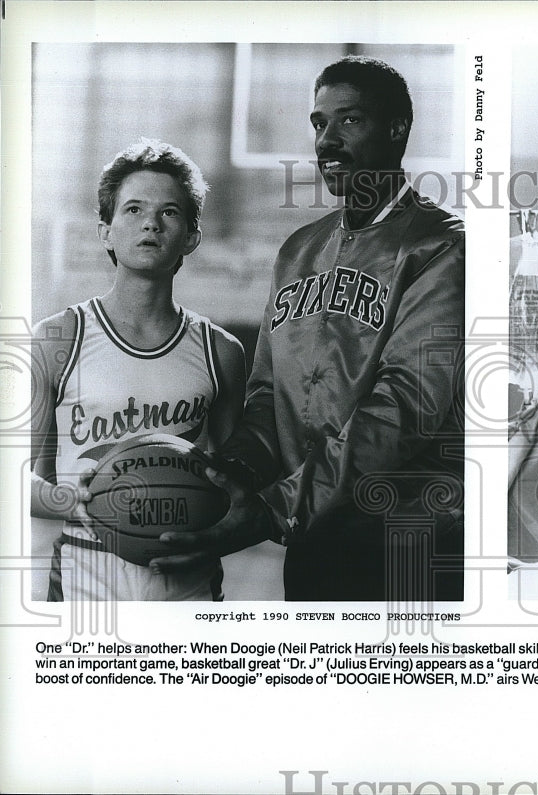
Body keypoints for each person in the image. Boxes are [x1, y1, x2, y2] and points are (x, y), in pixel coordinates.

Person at [152, 56, 465, 602]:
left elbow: (406, 405)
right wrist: (230, 470)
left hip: (408, 544)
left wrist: (275, 507)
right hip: (314, 541)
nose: (327, 141)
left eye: (350, 121)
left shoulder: (441, 246)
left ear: (397, 129)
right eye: (319, 123)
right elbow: (268, 396)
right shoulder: (298, 250)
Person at [31, 139, 246, 601]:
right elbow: (18, 479)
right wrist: (79, 501)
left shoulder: (220, 350)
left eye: (169, 212)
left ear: (191, 235)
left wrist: (213, 524)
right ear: (105, 231)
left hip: (186, 574)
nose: (150, 222)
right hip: (85, 571)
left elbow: (234, 485)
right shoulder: (58, 338)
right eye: (133, 210)